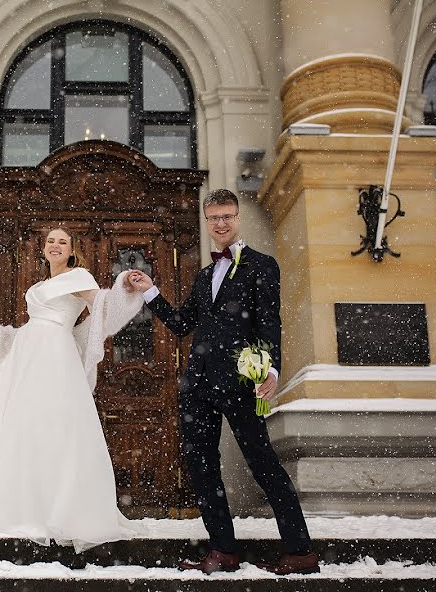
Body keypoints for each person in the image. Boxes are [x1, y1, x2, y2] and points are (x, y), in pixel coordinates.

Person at [127, 189, 318, 575]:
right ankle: (222, 550)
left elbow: (269, 321)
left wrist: (273, 371)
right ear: (207, 221)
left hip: (241, 383)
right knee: (201, 467)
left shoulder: (262, 266)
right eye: (213, 218)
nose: (220, 224)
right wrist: (150, 290)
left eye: (227, 216)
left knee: (263, 463)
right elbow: (182, 324)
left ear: (238, 217)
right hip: (197, 387)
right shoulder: (203, 276)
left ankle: (299, 551)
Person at [0, 227, 143, 552]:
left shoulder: (79, 277)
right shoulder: (40, 285)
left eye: (62, 241)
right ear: (44, 249)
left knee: (52, 426)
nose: (55, 245)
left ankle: (52, 507)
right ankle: (8, 502)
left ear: (72, 250)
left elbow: (102, 308)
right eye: (50, 241)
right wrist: (7, 337)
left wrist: (125, 289)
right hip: (27, 357)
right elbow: (35, 325)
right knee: (14, 425)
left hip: (56, 357)